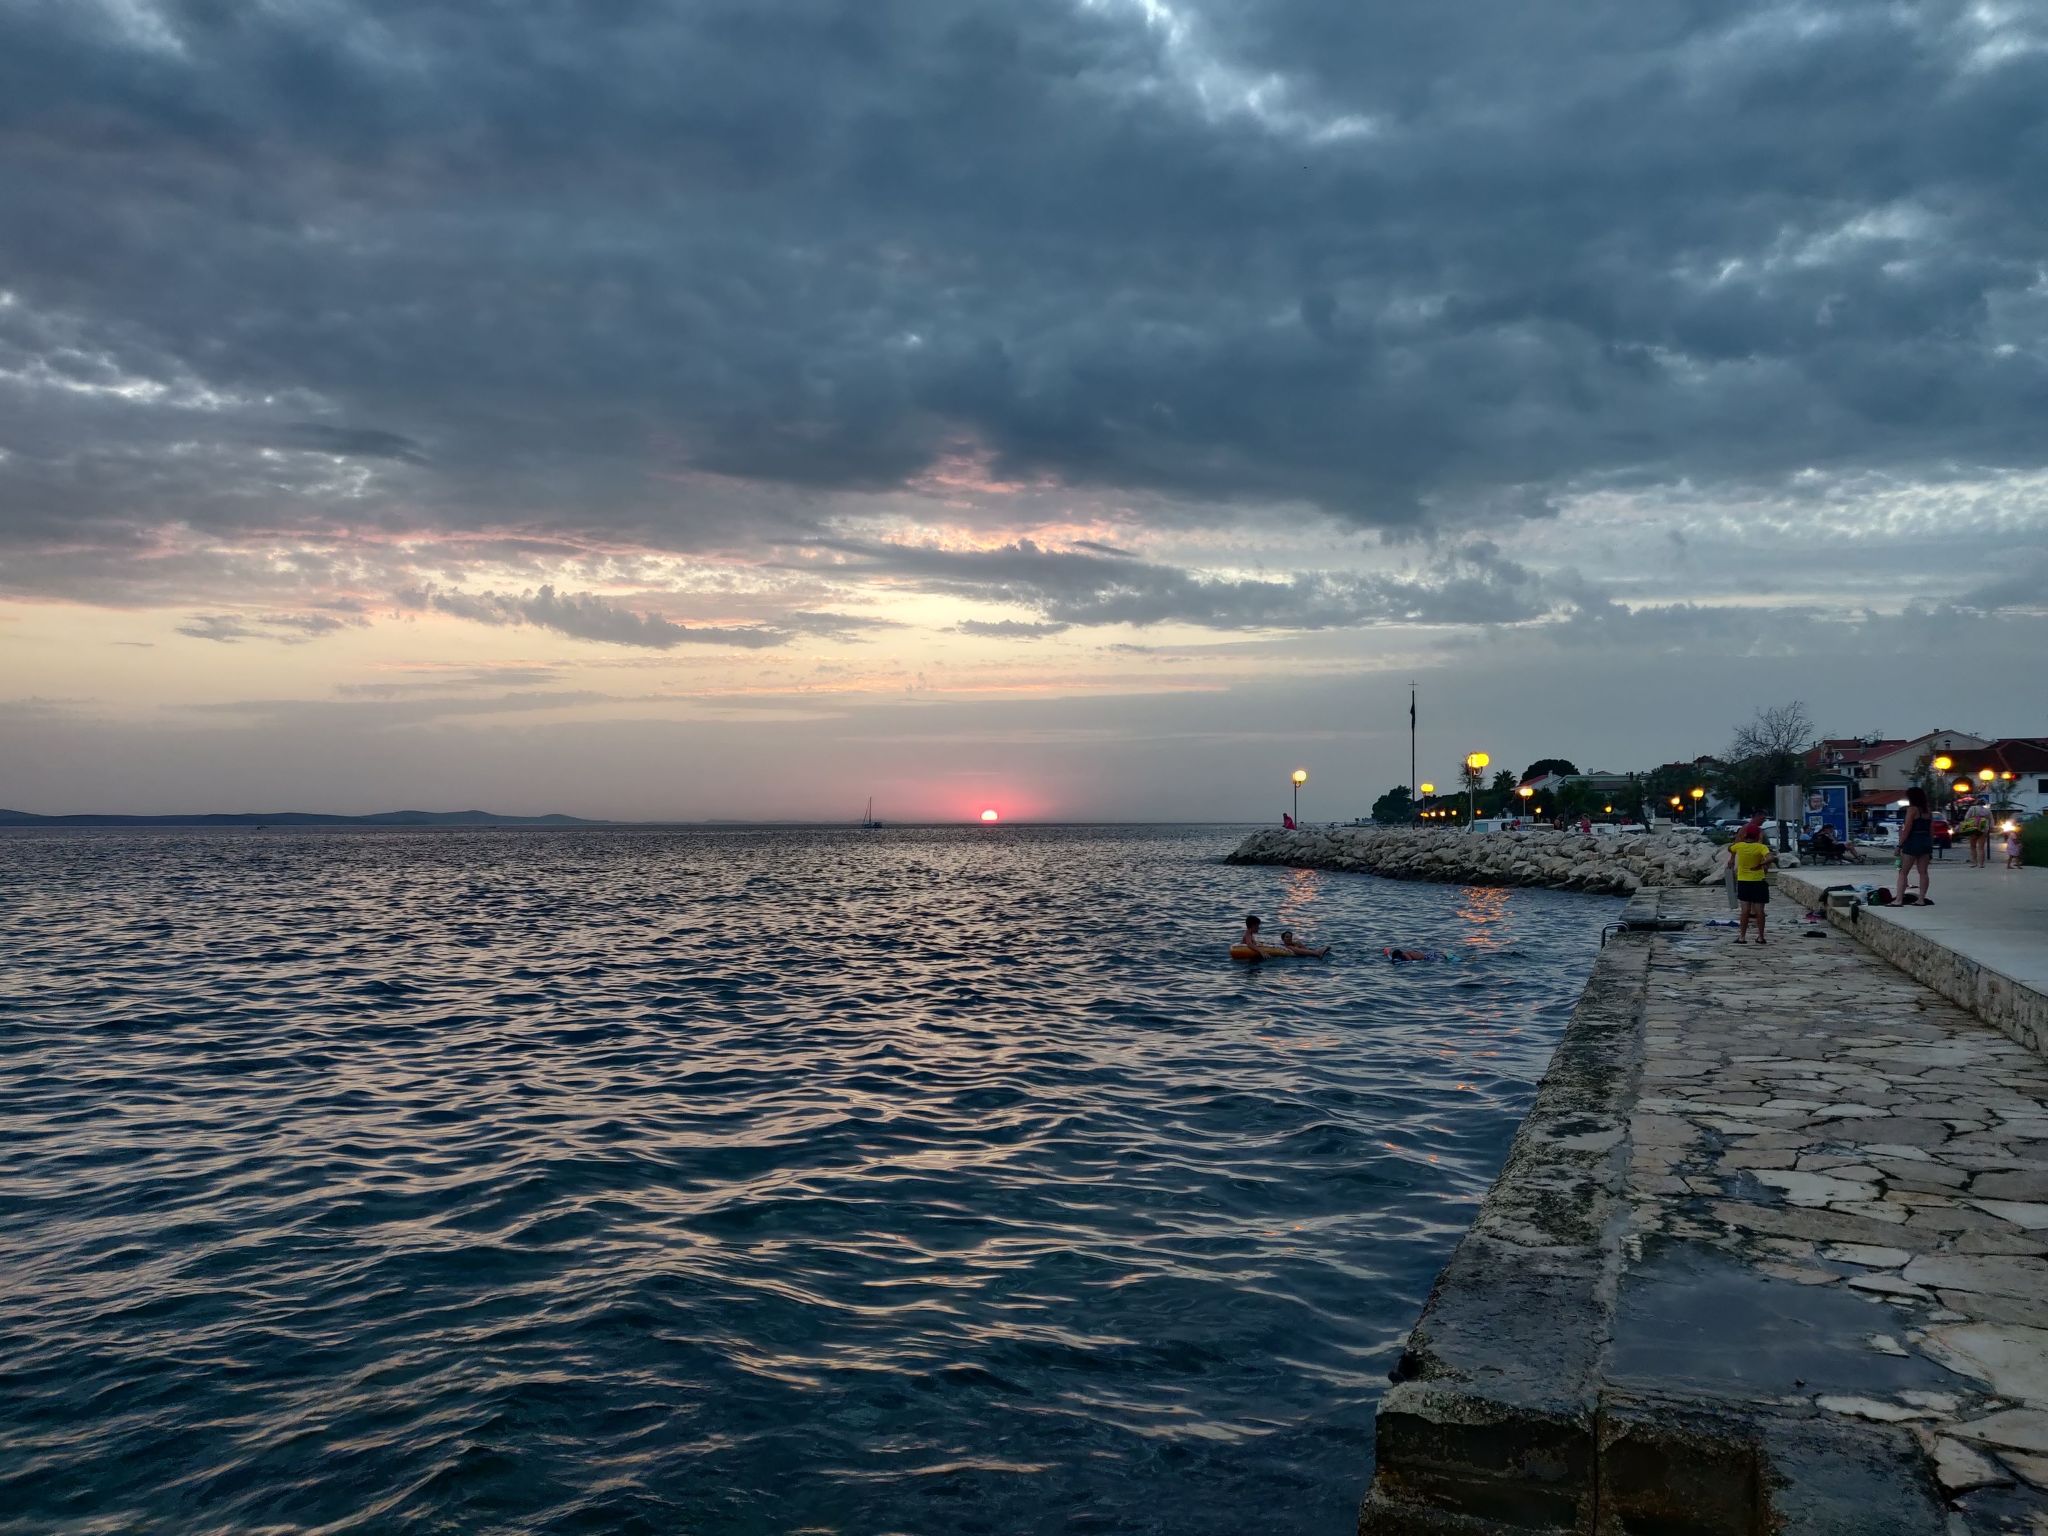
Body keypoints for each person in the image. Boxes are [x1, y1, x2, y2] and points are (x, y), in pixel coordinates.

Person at [1728, 825, 1777, 944]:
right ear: (1758, 836)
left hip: (1743, 882)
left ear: (1745, 835)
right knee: (1760, 911)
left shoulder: (1739, 846)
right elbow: (1771, 858)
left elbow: (1730, 848)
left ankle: (1742, 937)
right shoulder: (1761, 847)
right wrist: (1760, 865)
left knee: (1745, 911)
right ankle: (1760, 937)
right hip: (1758, 881)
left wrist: (1732, 857)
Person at [1894, 787, 1935, 906]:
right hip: (1925, 842)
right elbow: (1931, 831)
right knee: (1923, 872)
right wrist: (1930, 846)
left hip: (1912, 842)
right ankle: (1921, 899)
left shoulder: (1912, 810)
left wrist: (1899, 845)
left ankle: (1899, 900)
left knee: (1903, 872)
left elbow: (1907, 829)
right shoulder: (1928, 812)